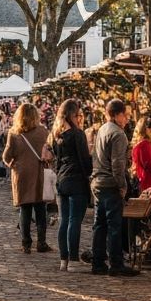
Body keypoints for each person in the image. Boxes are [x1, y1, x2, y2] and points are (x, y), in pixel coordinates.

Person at [90, 98, 139, 277]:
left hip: (98, 182)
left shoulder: (103, 129)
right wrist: (122, 185)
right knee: (114, 225)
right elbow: (118, 164)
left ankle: (98, 261)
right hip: (110, 183)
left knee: (99, 224)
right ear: (117, 115)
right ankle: (116, 263)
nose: (127, 119)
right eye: (125, 115)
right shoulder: (118, 134)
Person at [2, 103, 52, 253]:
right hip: (39, 173)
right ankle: (41, 242)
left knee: (25, 209)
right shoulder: (43, 132)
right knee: (41, 209)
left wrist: (13, 164)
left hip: (22, 174)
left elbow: (6, 156)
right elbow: (50, 153)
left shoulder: (14, 133)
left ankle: (26, 243)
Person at [50, 99, 92, 271]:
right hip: (76, 180)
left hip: (62, 180)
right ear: (73, 115)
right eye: (79, 115)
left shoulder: (57, 134)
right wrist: (89, 175)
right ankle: (73, 259)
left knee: (64, 220)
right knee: (74, 220)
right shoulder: (77, 134)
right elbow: (84, 159)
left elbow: (57, 161)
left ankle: (64, 259)